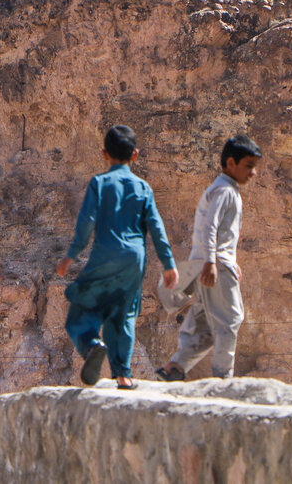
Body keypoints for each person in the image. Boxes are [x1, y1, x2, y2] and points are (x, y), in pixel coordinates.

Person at [57, 125, 178, 389]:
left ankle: (90, 346)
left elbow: (86, 222)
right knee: (123, 313)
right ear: (135, 155)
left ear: (104, 154)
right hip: (134, 259)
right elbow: (156, 227)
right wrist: (168, 264)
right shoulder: (144, 188)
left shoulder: (99, 183)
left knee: (83, 307)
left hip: (105, 254)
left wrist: (71, 255)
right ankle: (123, 374)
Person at [156, 134, 262, 381]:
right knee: (230, 318)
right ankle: (224, 377)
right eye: (249, 166)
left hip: (213, 263)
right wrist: (213, 262)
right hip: (215, 266)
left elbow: (218, 231)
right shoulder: (225, 191)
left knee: (204, 322)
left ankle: (176, 367)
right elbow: (210, 226)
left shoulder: (223, 189)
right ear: (230, 163)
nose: (253, 173)